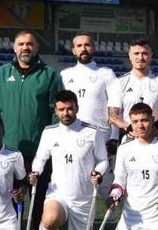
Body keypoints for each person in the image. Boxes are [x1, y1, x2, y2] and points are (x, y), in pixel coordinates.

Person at [0, 29, 64, 226]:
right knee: (10, 200)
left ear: (36, 48)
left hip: (40, 151)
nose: (25, 48)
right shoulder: (3, 73)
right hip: (11, 151)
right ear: (14, 47)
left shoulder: (49, 75)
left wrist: (54, 144)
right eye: (21, 44)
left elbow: (56, 111)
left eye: (30, 44)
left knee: (38, 200)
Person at [29, 90, 109, 230]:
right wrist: (35, 172)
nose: (65, 113)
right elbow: (40, 158)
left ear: (77, 108)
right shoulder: (49, 132)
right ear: (55, 110)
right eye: (61, 109)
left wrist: (97, 173)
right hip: (58, 193)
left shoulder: (92, 132)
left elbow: (103, 160)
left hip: (83, 198)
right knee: (49, 220)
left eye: (69, 108)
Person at [108, 103, 158, 230]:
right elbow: (119, 182)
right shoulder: (124, 149)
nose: (140, 125)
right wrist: (114, 196)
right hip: (130, 218)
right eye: (135, 121)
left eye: (144, 120)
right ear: (131, 124)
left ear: (152, 120)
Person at [60, 32, 117, 199]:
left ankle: (113, 221)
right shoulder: (65, 75)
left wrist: (113, 137)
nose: (83, 49)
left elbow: (114, 107)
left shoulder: (106, 73)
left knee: (106, 189)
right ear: (73, 50)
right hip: (74, 139)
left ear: (93, 48)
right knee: (78, 187)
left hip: (101, 139)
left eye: (87, 45)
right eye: (79, 46)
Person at [108, 38, 158, 136]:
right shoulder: (118, 83)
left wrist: (155, 127)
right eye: (136, 53)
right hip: (129, 139)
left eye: (145, 53)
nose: (140, 57)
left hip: (155, 138)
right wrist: (130, 127)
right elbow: (113, 115)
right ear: (130, 56)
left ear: (151, 55)